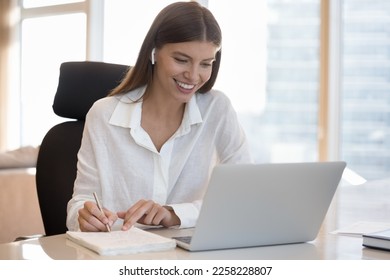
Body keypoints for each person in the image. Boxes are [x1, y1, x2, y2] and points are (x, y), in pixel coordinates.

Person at [66, 1, 252, 232]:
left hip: (189, 258)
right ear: (154, 52)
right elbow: (81, 201)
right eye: (181, 60)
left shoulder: (217, 108)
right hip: (120, 254)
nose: (193, 75)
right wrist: (83, 216)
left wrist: (175, 214)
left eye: (206, 64)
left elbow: (245, 195)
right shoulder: (104, 114)